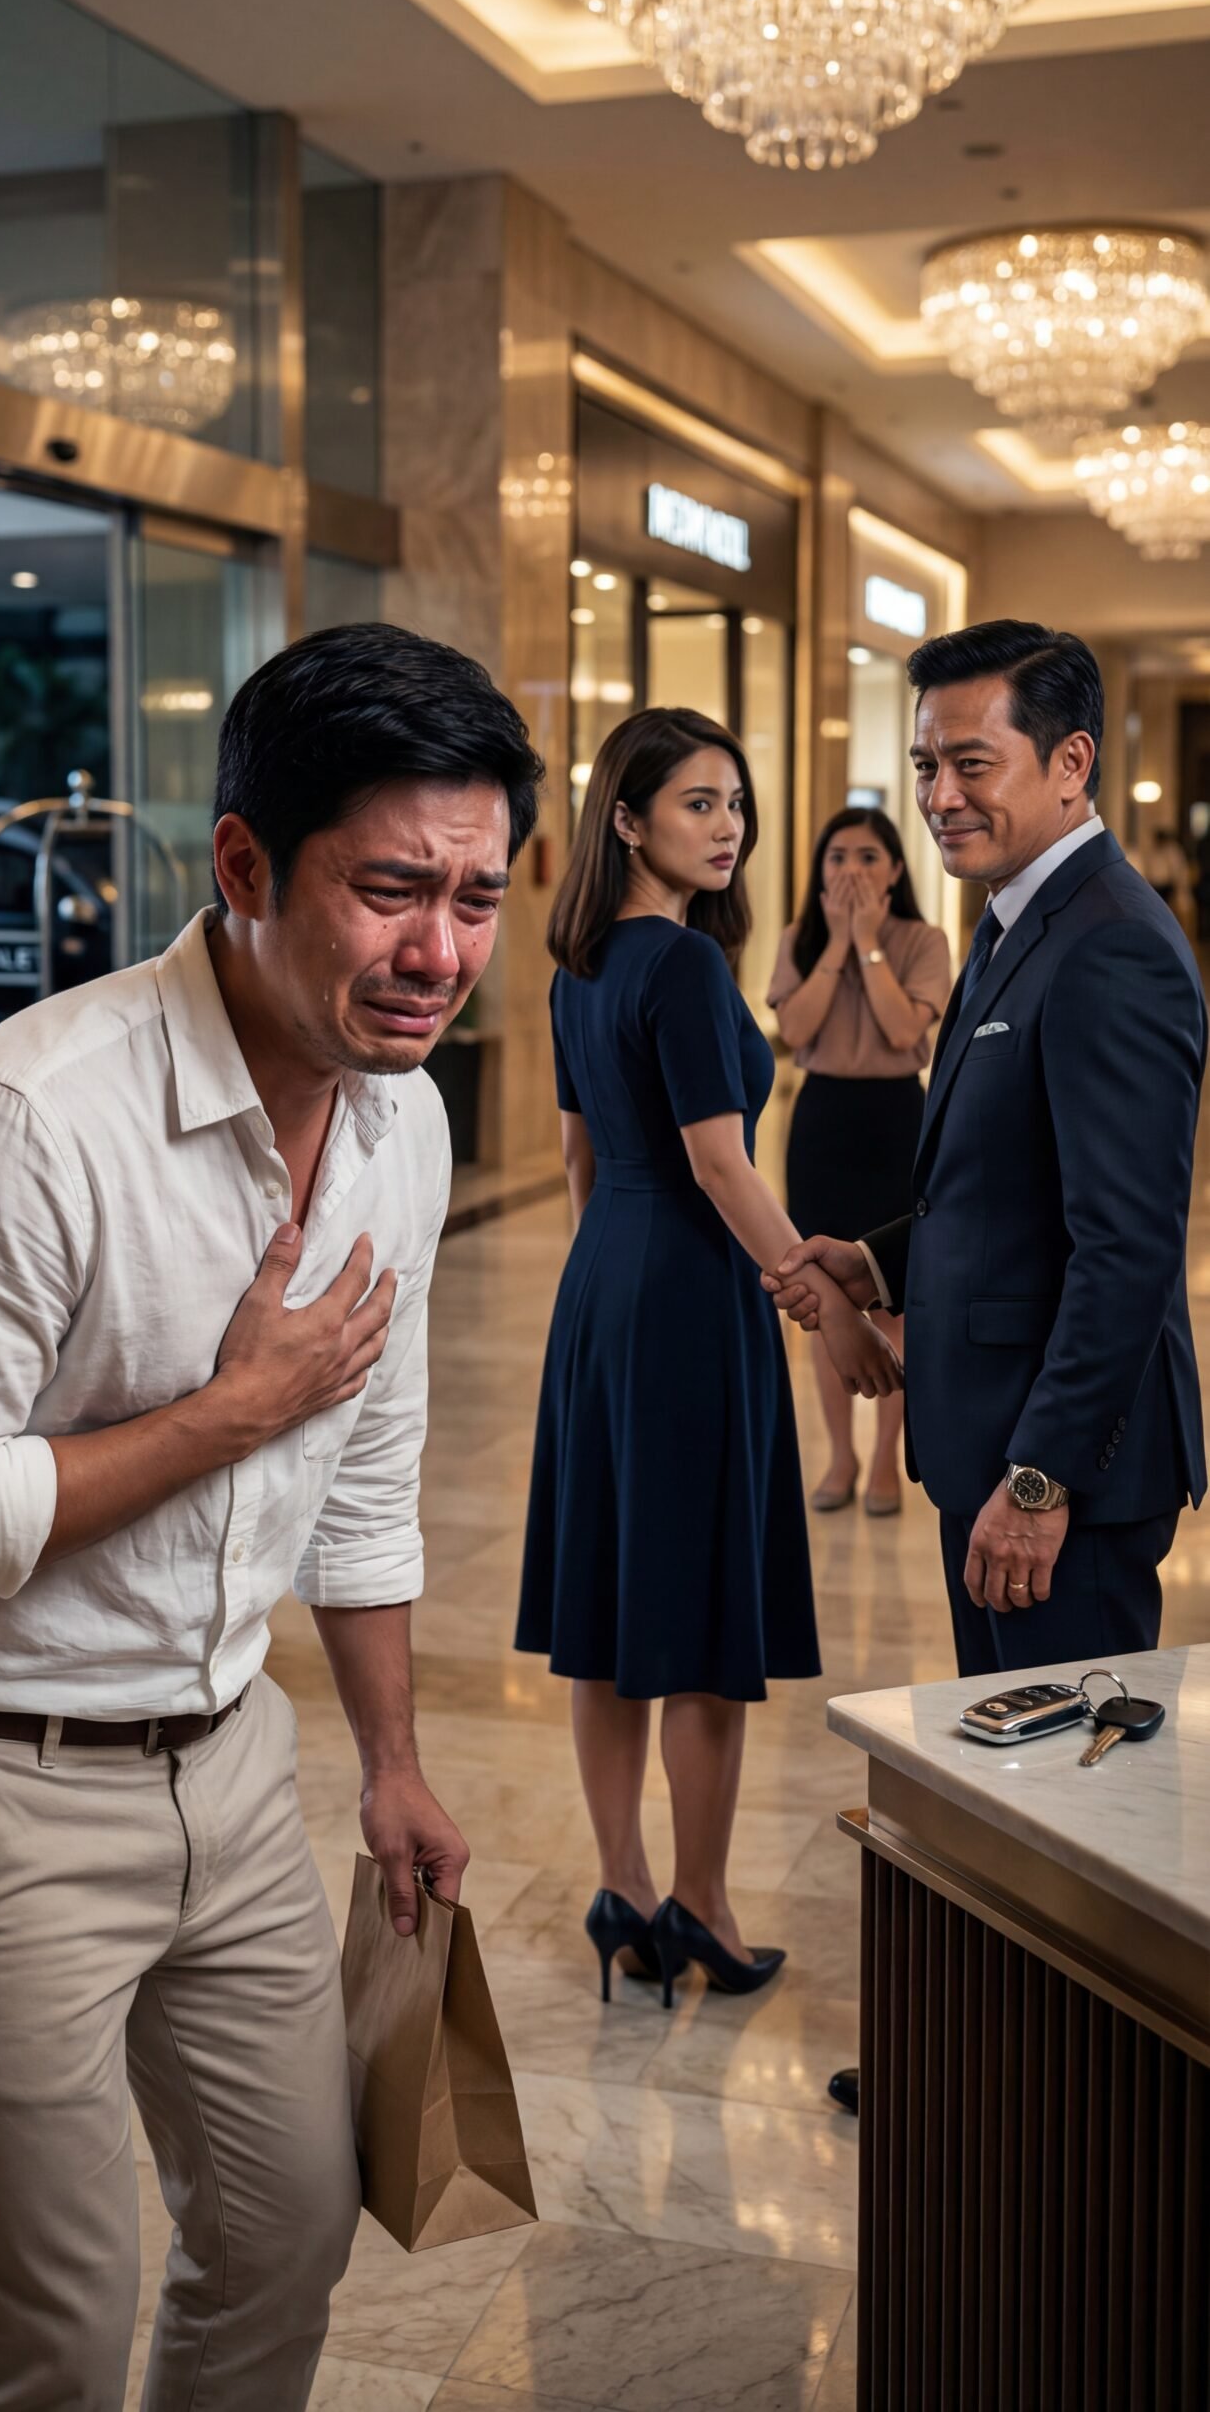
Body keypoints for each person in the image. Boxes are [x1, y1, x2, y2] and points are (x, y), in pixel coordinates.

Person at [0, 625, 545, 2412]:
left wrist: (389, 1761)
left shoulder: (397, 1124)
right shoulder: (23, 1124)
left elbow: (366, 1473)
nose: (439, 953)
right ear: (243, 864)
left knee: (287, 2236)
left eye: (476, 896)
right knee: (45, 2340)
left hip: (226, 1765)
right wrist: (226, 1414)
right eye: (390, 891)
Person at [515, 708, 901, 2012]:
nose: (728, 825)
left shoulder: (575, 966)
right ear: (626, 820)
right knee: (694, 1617)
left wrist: (604, 1290)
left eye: (734, 802)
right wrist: (823, 1303)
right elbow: (721, 1164)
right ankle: (704, 1905)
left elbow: (580, 1160)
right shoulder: (679, 966)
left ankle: (622, 1893)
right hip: (687, 1289)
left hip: (604, 1287)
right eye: (697, 802)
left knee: (613, 1604)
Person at [769, 620, 1206, 1676]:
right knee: (1003, 1756)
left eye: (972, 763)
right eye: (926, 764)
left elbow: (1126, 1251)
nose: (939, 795)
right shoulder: (1014, 919)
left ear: (1071, 762)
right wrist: (874, 1263)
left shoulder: (1109, 944)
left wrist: (1040, 1480)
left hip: (1057, 1478)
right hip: (988, 1443)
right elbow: (1001, 1184)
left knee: (1062, 1767)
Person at [768, 808, 951, 1518]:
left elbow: (905, 1030)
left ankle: (882, 1462)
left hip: (897, 1120)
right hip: (823, 1122)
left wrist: (869, 944)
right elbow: (795, 1028)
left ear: (897, 870)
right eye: (838, 856)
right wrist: (838, 945)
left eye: (869, 857)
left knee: (895, 1294)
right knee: (826, 1300)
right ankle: (841, 1456)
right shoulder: (799, 940)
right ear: (819, 871)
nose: (852, 871)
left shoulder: (923, 941)